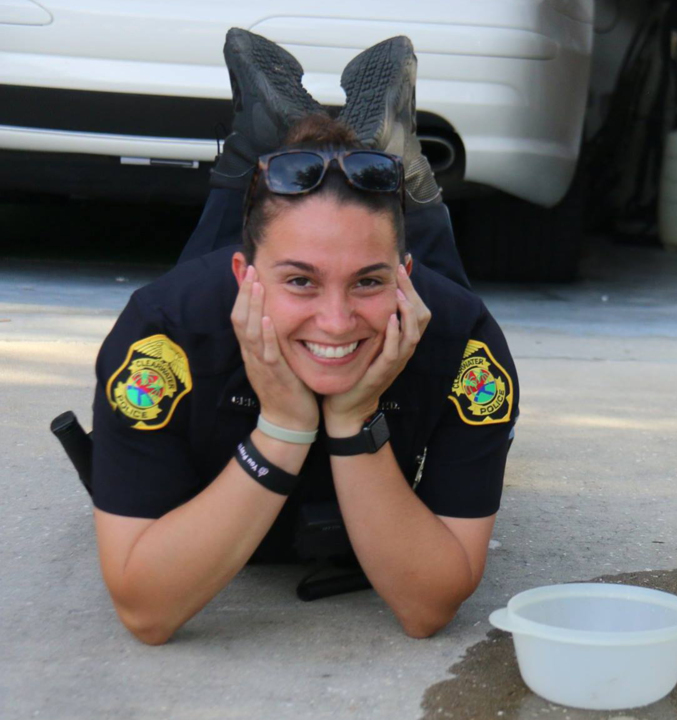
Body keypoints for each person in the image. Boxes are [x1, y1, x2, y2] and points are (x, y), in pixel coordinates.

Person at [87, 29, 518, 645]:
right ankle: (254, 157)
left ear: (402, 277)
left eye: (371, 282)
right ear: (245, 279)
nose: (336, 322)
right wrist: (284, 427)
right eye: (302, 283)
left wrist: (355, 416)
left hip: (415, 299)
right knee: (247, 235)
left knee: (388, 251)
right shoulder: (167, 332)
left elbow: (427, 607)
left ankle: (395, 173)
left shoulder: (465, 343)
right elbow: (146, 610)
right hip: (221, 292)